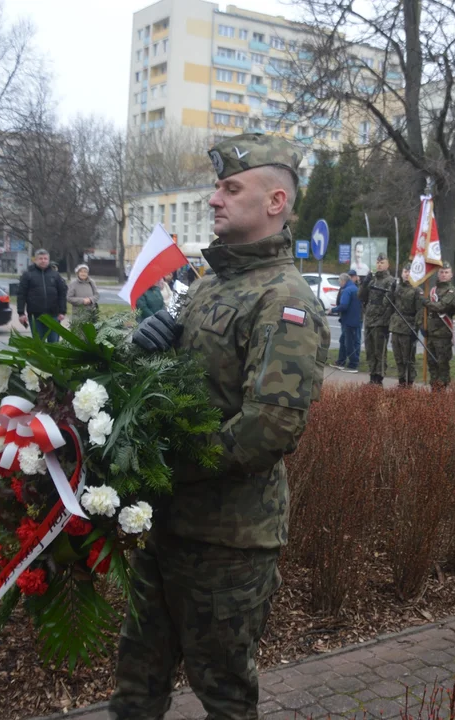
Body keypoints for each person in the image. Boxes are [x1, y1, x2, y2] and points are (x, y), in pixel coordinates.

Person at [118, 132, 330, 720]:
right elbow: (172, 387)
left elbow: (269, 427)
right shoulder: (207, 282)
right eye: (216, 187)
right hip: (164, 525)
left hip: (229, 542)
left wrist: (168, 466)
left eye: (230, 188)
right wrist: (145, 348)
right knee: (136, 684)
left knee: (226, 697)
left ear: (275, 202)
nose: (214, 199)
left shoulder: (285, 300)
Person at [358, 254, 395, 385]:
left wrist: (383, 320)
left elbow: (390, 305)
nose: (379, 264)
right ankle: (372, 376)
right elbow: (361, 296)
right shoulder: (372, 281)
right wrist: (365, 282)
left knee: (380, 352)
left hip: (381, 322)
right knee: (370, 351)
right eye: (378, 262)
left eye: (382, 262)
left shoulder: (390, 281)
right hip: (369, 320)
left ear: (387, 264)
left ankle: (378, 379)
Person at [16, 248, 67, 343]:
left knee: (54, 343)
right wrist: (21, 313)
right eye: (40, 258)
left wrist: (62, 311)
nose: (43, 260)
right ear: (35, 260)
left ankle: (52, 358)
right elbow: (21, 294)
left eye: (45, 258)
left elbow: (62, 294)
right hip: (35, 316)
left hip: (53, 315)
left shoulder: (55, 275)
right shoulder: (28, 275)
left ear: (48, 260)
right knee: (38, 343)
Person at [424, 262, 455, 389]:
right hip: (431, 333)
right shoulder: (433, 290)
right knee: (432, 364)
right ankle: (434, 390)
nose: (443, 275)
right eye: (441, 272)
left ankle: (442, 393)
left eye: (446, 272)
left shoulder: (452, 291)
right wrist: (424, 326)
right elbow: (426, 312)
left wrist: (426, 302)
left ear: (451, 275)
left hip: (443, 334)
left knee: (442, 365)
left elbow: (441, 307)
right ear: (438, 274)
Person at [389, 266, 424, 387]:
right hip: (396, 327)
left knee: (408, 359)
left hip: (408, 327)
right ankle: (401, 381)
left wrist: (416, 329)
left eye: (409, 271)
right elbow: (390, 303)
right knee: (398, 358)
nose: (407, 274)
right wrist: (391, 290)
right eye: (405, 271)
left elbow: (420, 311)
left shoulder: (416, 290)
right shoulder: (397, 288)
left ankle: (409, 383)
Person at [331, 270, 361, 372]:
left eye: (339, 281)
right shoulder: (354, 288)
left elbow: (343, 305)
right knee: (343, 340)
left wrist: (333, 310)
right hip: (354, 319)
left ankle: (353, 364)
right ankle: (341, 362)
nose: (339, 283)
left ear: (343, 281)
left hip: (349, 321)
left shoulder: (347, 290)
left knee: (349, 343)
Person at [67, 263, 100, 329]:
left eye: (85, 272)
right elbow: (69, 298)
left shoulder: (91, 282)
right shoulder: (73, 283)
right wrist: (82, 301)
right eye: (81, 271)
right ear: (77, 273)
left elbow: (97, 295)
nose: (83, 273)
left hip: (90, 313)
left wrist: (90, 300)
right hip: (78, 314)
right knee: (78, 333)